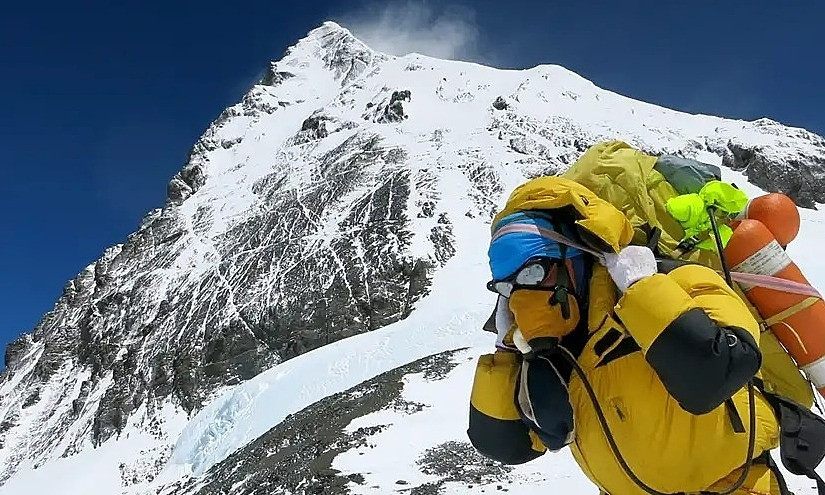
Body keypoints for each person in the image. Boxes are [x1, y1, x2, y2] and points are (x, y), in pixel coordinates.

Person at [467, 176, 790, 495]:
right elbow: (504, 444)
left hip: (736, 488)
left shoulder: (683, 281)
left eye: (533, 272)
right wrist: (506, 348)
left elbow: (719, 371)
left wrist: (643, 291)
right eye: (509, 287)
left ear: (574, 258)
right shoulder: (553, 352)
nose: (525, 296)